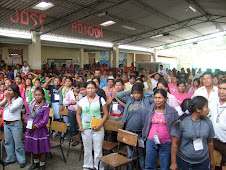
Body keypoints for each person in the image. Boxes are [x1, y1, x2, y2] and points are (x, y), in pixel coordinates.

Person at [116, 83, 154, 170]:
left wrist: (146, 90)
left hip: (141, 132)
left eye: (138, 93)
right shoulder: (129, 99)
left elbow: (155, 95)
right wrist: (131, 90)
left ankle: (143, 168)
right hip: (129, 130)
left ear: (142, 93)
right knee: (130, 155)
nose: (136, 95)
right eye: (134, 93)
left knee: (141, 154)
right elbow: (118, 95)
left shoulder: (147, 100)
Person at [170, 97, 215, 170]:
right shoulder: (182, 122)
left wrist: (212, 160)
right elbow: (175, 143)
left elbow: (210, 142)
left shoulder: (208, 122)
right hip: (185, 162)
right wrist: (173, 162)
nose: (208, 110)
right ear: (198, 110)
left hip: (203, 162)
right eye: (206, 107)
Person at [142, 89, 179, 170]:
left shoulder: (172, 112)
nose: (157, 100)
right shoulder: (148, 110)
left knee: (165, 167)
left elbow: (176, 129)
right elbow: (144, 124)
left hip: (166, 143)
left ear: (165, 99)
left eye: (160, 98)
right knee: (149, 166)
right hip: (151, 141)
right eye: (155, 98)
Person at [76, 81, 108, 170]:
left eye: (92, 88)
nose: (90, 90)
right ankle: (88, 165)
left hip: (98, 128)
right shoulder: (82, 100)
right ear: (86, 89)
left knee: (98, 150)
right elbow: (78, 114)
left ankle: (98, 166)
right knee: (87, 149)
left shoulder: (100, 100)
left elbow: (105, 114)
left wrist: (100, 125)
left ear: (96, 89)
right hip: (85, 128)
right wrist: (80, 126)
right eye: (88, 88)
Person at [0, 84, 26, 168]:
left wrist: (8, 99)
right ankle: (10, 158)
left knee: (18, 143)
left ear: (15, 92)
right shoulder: (7, 98)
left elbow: (11, 109)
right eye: (8, 90)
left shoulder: (19, 100)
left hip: (15, 124)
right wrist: (7, 99)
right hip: (6, 124)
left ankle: (22, 160)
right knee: (8, 142)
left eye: (10, 90)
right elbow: (1, 105)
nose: (8, 92)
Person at [24, 87, 50, 170]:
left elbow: (45, 120)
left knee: (41, 148)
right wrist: (29, 123)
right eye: (36, 95)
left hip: (40, 130)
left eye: (39, 95)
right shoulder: (31, 104)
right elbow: (27, 115)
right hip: (30, 129)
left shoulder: (45, 106)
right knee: (32, 147)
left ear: (43, 96)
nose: (37, 96)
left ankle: (42, 165)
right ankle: (36, 162)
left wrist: (35, 126)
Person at [209, 80, 226, 167]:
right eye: (220, 88)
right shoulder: (213, 102)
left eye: (224, 89)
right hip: (213, 141)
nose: (221, 91)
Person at [63, 82, 82, 146]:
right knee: (73, 125)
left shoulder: (81, 94)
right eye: (76, 88)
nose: (77, 90)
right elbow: (64, 101)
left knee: (79, 125)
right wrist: (70, 102)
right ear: (73, 87)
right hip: (71, 111)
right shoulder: (69, 93)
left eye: (78, 88)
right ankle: (75, 139)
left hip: (79, 111)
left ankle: (80, 138)